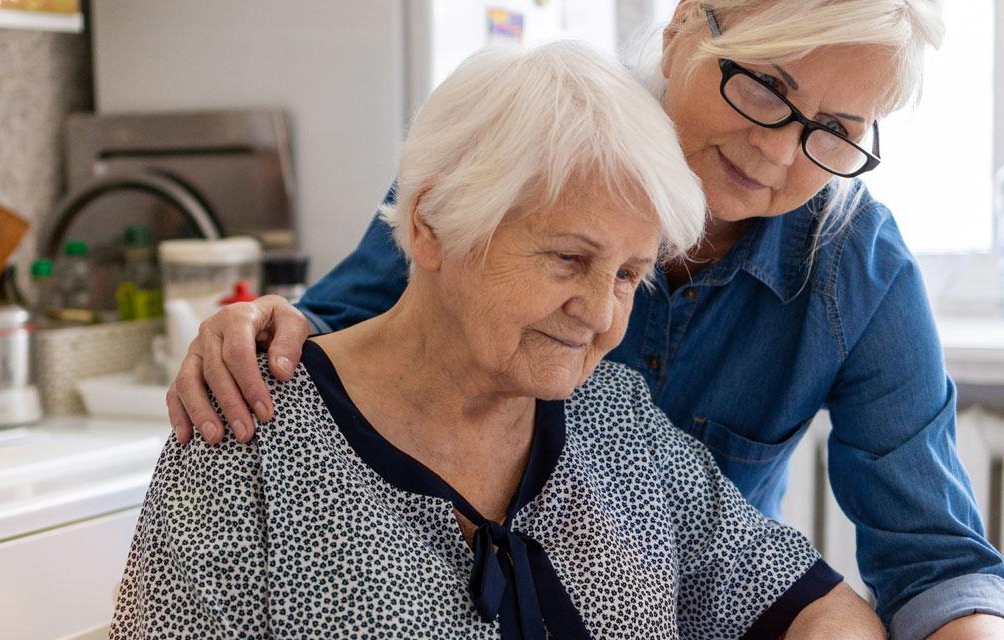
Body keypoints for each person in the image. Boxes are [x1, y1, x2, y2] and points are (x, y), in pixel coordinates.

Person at [165, 2, 1004, 638]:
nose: (779, 152)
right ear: (682, 32)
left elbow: (928, 562)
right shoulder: (517, 151)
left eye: (834, 132)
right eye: (763, 88)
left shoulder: (848, 272)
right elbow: (339, 344)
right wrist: (254, 334)